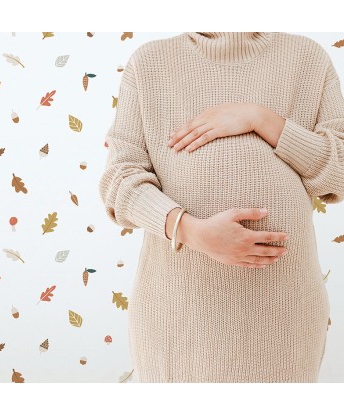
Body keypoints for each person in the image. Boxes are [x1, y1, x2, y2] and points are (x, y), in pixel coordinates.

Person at [98, 32, 344, 382]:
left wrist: (260, 118)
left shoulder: (308, 59)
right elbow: (119, 179)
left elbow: (341, 173)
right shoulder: (149, 63)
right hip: (179, 318)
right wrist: (191, 231)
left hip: (285, 320)